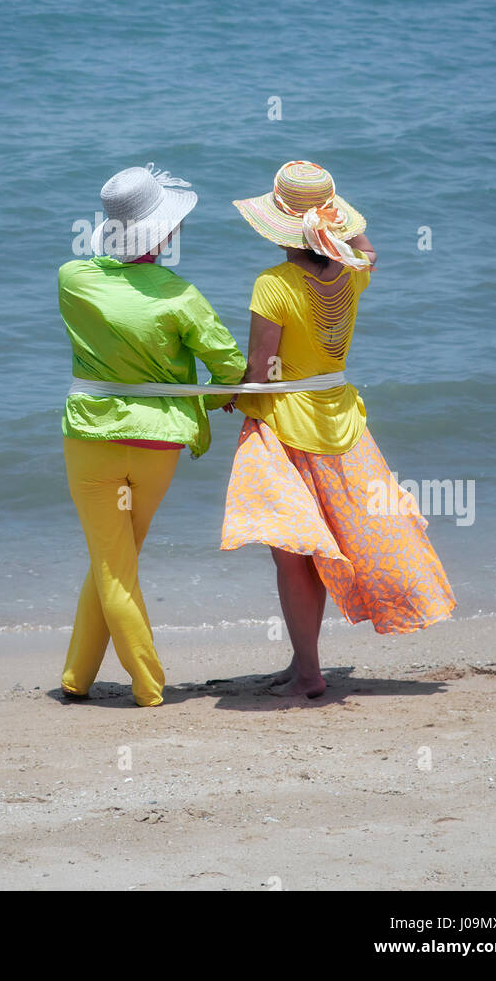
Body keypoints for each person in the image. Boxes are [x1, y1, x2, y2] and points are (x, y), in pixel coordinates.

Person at [221, 159, 455, 698]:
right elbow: (370, 251)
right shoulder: (352, 271)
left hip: (285, 427)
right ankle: (303, 662)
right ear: (334, 223)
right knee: (321, 547)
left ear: (278, 226)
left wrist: (231, 397)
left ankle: (307, 673)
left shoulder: (273, 284)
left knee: (294, 553)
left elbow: (260, 372)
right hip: (342, 422)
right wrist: (340, 228)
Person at [59, 164, 245, 707]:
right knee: (116, 560)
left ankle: (112, 682)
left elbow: (104, 273)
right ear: (160, 234)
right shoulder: (180, 295)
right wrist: (217, 399)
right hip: (157, 447)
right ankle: (111, 680)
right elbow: (229, 366)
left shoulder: (72, 280)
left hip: (90, 439)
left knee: (111, 561)